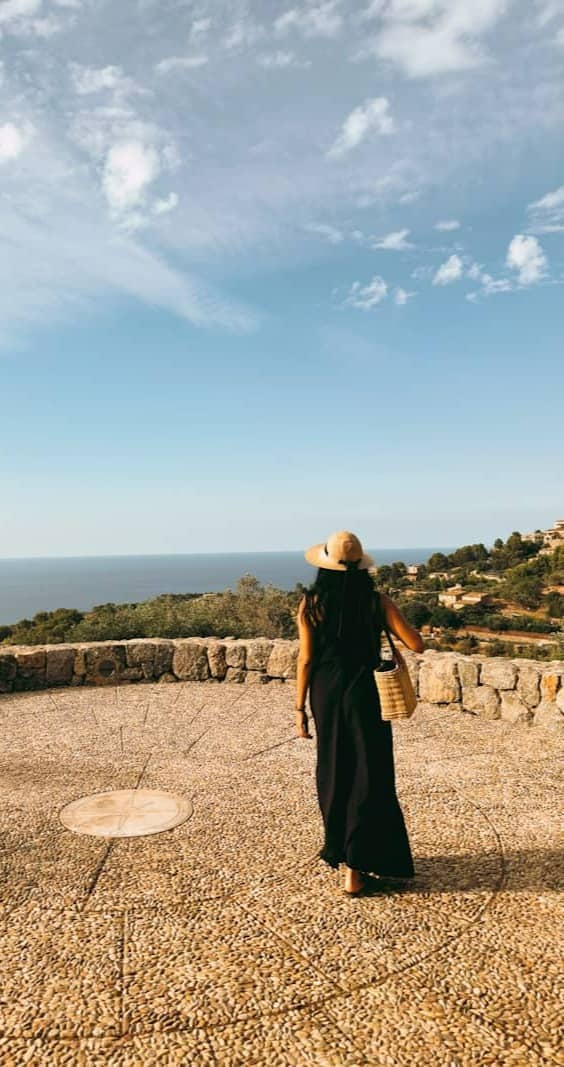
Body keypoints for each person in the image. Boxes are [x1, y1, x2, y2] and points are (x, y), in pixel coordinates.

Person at [295, 530, 424, 897]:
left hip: (325, 692)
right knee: (370, 772)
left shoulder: (311, 604)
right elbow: (417, 644)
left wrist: (299, 710)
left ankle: (341, 852)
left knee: (335, 770)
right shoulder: (375, 601)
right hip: (366, 693)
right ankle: (358, 866)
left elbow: (305, 659)